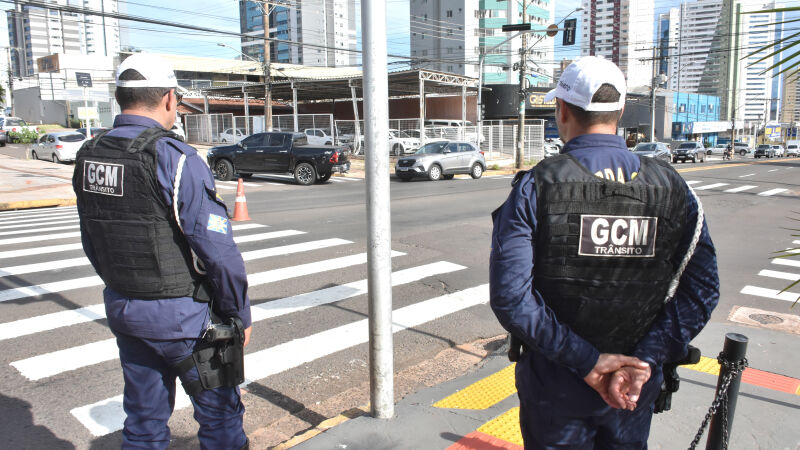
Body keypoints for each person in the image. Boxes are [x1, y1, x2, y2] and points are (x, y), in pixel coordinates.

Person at [489, 56, 719, 449]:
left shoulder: (536, 186)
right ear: (622, 111)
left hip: (554, 390)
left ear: (561, 109)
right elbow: (702, 292)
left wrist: (589, 364)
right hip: (634, 389)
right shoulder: (673, 187)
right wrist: (645, 360)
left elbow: (512, 298)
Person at [72, 53, 252, 449]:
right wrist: (239, 314)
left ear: (120, 97)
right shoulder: (176, 159)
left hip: (126, 312)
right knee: (221, 419)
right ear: (170, 99)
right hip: (187, 322)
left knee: (143, 422)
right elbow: (217, 251)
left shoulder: (90, 154)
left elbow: (93, 239)